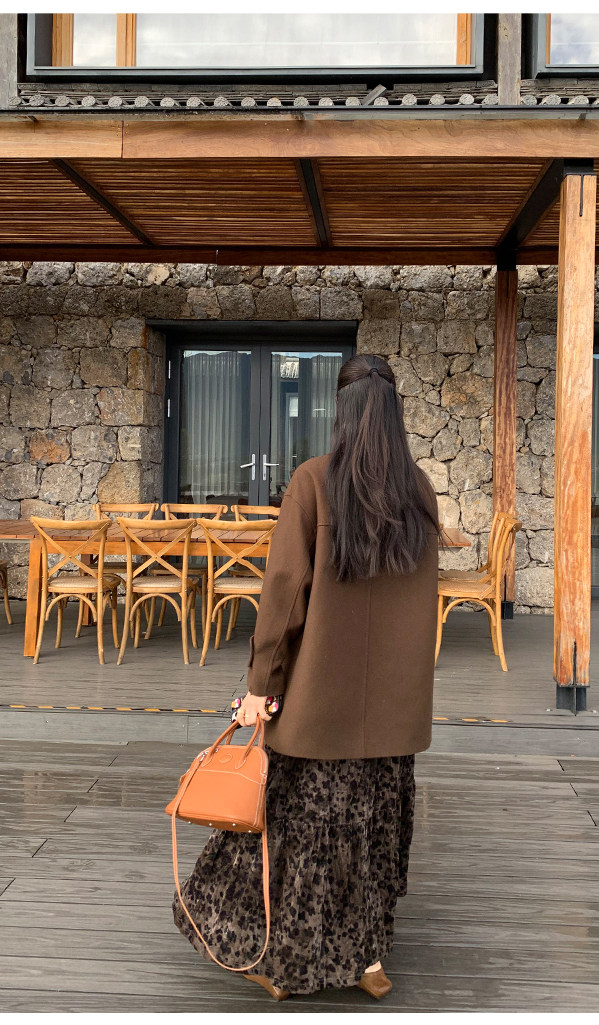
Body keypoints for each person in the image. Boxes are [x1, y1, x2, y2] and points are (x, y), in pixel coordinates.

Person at [173, 353, 440, 1001]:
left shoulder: (314, 481)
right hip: (395, 712)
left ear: (340, 411)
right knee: (373, 837)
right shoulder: (419, 491)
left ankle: (288, 966)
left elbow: (285, 596)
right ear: (395, 412)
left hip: (319, 706)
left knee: (304, 841)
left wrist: (259, 686)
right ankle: (368, 962)